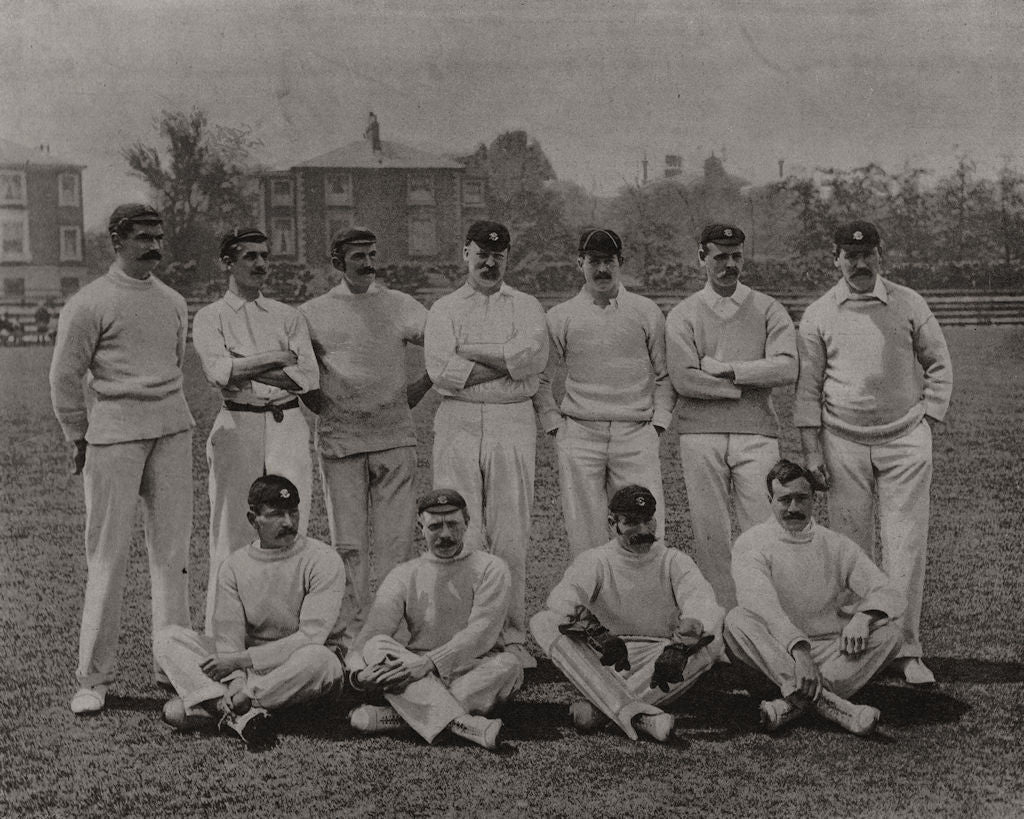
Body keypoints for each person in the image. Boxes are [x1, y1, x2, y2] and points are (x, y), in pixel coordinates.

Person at [49, 203, 195, 715]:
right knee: (107, 559)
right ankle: (93, 678)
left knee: (172, 557)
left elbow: (173, 363)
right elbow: (65, 376)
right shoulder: (90, 303)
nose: (154, 246)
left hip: (173, 430)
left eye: (159, 237)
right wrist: (77, 434)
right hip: (113, 436)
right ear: (117, 240)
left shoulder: (174, 300)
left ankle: (173, 665)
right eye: (143, 238)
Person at [794, 220, 952, 686]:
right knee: (850, 546)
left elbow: (939, 362)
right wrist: (812, 450)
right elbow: (807, 390)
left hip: (905, 438)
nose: (859, 263)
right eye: (849, 255)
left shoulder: (908, 302)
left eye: (867, 255)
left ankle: (905, 649)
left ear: (881, 256)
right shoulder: (819, 312)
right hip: (842, 440)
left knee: (905, 544)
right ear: (835, 259)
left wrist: (929, 419)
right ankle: (855, 643)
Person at [424, 220, 549, 668]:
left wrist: (471, 351)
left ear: (507, 257)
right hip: (457, 420)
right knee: (461, 526)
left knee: (510, 529)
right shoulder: (443, 308)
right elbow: (442, 373)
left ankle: (511, 634)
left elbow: (534, 359)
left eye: (498, 254)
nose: (490, 261)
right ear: (466, 253)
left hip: (511, 419)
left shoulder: (527, 305)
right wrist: (508, 361)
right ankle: (466, 633)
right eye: (481, 253)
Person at [299, 227, 432, 646]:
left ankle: (393, 631)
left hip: (395, 438)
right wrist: (329, 405)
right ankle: (352, 635)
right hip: (341, 444)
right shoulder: (313, 311)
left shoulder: (398, 304)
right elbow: (299, 369)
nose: (369, 264)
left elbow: (443, 342)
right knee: (349, 546)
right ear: (337, 262)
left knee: (396, 545)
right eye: (359, 256)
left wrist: (420, 387)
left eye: (373, 254)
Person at [154, 475, 347, 749]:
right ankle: (243, 715)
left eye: (293, 512)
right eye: (276, 515)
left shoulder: (323, 559)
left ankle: (227, 706)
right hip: (250, 674)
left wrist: (240, 664)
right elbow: (228, 639)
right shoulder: (235, 566)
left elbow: (311, 637)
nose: (289, 523)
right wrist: (235, 680)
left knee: (321, 659)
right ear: (252, 519)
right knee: (168, 638)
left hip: (298, 670)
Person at [192, 228, 319, 633]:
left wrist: (245, 364)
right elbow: (218, 373)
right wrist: (279, 359)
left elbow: (308, 379)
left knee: (290, 522)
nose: (260, 264)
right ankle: (224, 634)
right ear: (228, 263)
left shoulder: (288, 315)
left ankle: (287, 630)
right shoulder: (211, 316)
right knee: (231, 530)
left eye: (264, 256)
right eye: (250, 256)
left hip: (288, 425)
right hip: (237, 424)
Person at [666, 223, 798, 609]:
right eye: (720, 256)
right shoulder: (684, 313)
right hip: (699, 434)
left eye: (736, 256)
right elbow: (684, 379)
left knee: (761, 526)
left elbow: (787, 369)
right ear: (702, 258)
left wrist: (726, 371)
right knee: (711, 532)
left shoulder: (768, 308)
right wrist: (748, 384)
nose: (730, 265)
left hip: (756, 432)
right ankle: (722, 618)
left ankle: (765, 615)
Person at [530, 485, 723, 743]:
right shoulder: (597, 560)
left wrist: (679, 648)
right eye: (632, 522)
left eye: (648, 521)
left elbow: (704, 605)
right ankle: (639, 714)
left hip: (660, 659)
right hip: (607, 659)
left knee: (714, 639)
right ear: (613, 523)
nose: (643, 531)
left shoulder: (673, 560)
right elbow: (561, 602)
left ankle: (602, 711)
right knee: (543, 622)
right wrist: (596, 632)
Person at [725, 460, 906, 735]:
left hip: (830, 650)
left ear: (814, 499)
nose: (794, 508)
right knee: (736, 621)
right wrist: (800, 653)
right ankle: (838, 708)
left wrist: (864, 617)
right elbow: (763, 606)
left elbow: (889, 591)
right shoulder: (752, 543)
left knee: (890, 633)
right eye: (785, 500)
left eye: (802, 499)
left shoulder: (835, 544)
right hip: (776, 652)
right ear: (769, 499)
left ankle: (791, 704)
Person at [345, 489, 522, 751]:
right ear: (421, 527)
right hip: (416, 676)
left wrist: (430, 663)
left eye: (453, 524)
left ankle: (397, 718)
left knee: (509, 665)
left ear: (467, 522)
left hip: (471, 668)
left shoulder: (491, 568)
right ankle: (467, 725)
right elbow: (369, 635)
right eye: (435, 526)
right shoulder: (404, 574)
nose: (446, 535)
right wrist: (359, 676)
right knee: (377, 646)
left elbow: (481, 634)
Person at [535, 228, 674, 556]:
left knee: (644, 526)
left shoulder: (645, 312)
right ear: (579, 262)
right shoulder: (560, 316)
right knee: (585, 532)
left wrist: (657, 426)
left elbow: (666, 377)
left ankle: (645, 603)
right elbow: (541, 381)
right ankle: (591, 605)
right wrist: (555, 426)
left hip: (636, 433)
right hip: (580, 433)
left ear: (620, 262)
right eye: (593, 261)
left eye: (608, 261)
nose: (601, 269)